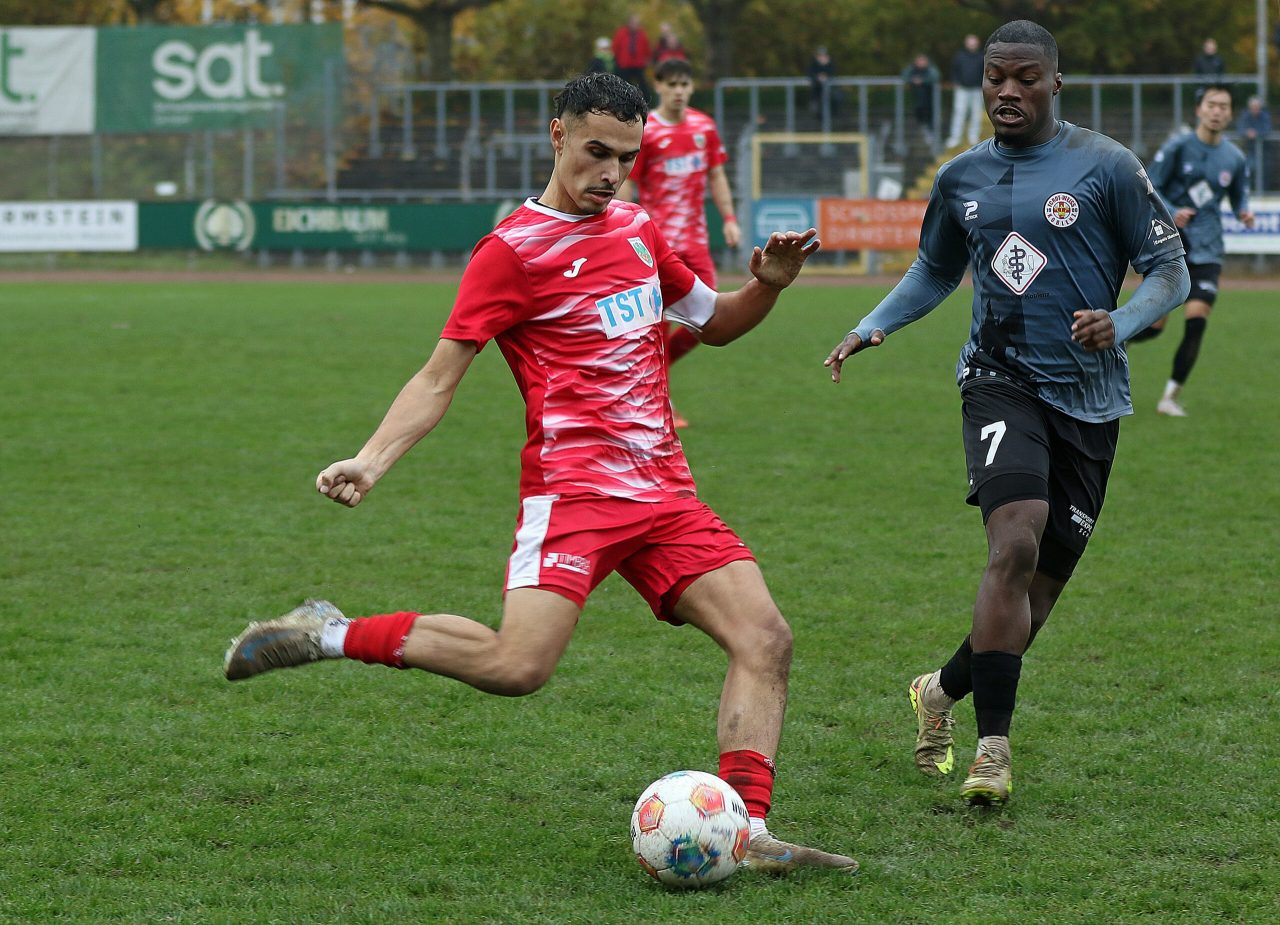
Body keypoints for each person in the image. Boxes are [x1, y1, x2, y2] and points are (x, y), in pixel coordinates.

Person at [224, 71, 856, 875]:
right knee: (516, 667)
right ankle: (328, 631)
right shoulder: (511, 252)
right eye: (596, 151)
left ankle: (747, 828)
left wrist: (765, 287)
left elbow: (716, 322)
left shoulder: (638, 229)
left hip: (665, 493)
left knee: (765, 637)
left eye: (625, 158)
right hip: (574, 495)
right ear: (557, 135)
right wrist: (371, 458)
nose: (610, 173)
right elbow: (438, 376)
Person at [824, 20, 1189, 806]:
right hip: (998, 379)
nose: (1008, 91)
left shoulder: (1107, 166)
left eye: (1025, 78)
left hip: (1089, 398)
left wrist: (1121, 321)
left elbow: (1169, 269)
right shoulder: (960, 177)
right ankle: (993, 750)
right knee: (1015, 535)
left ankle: (938, 691)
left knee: (1039, 595)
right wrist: (872, 324)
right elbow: (934, 268)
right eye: (996, 77)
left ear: (1056, 82)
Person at [619, 58, 742, 428]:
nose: (678, 91)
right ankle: (661, 405)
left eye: (684, 84)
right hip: (657, 245)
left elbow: (716, 176)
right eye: (671, 84)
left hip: (696, 242)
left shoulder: (704, 127)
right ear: (658, 86)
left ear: (692, 87)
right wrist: (619, 227)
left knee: (710, 318)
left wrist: (730, 219)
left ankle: (648, 371)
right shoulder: (647, 131)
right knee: (657, 325)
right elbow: (629, 183)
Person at [1127, 84, 1254, 417]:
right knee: (1154, 327)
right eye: (1212, 104)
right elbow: (1150, 185)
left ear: (1230, 113)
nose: (1217, 111)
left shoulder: (1234, 157)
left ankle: (1169, 398)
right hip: (1172, 245)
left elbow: (1239, 194)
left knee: (1197, 321)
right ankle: (1115, 340)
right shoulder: (1178, 147)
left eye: (1224, 106)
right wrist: (1172, 210)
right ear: (1199, 110)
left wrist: (1243, 211)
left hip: (1209, 249)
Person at [944, 34, 984, 148]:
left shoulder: (982, 56)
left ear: (977, 44)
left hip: (977, 89)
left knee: (976, 114)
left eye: (974, 43)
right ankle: (955, 137)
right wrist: (955, 82)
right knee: (959, 113)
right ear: (966, 44)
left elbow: (986, 71)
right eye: (970, 43)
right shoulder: (960, 56)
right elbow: (954, 70)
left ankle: (973, 137)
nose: (972, 45)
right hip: (962, 89)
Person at [901, 52, 940, 141]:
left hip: (930, 100)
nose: (921, 63)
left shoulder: (930, 69)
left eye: (923, 60)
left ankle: (930, 133)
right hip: (917, 100)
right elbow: (904, 76)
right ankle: (924, 129)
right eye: (919, 61)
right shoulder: (912, 69)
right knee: (919, 112)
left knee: (930, 115)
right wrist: (912, 80)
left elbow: (935, 76)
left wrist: (923, 81)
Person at [612, 14, 651, 97]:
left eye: (637, 23)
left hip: (638, 65)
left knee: (643, 86)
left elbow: (646, 48)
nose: (635, 25)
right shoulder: (621, 33)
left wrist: (646, 59)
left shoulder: (642, 34)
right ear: (629, 23)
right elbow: (615, 47)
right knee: (622, 86)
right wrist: (618, 60)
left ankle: (645, 101)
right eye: (633, 23)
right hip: (624, 64)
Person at [1236, 95, 1269, 190]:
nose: (1255, 109)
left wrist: (1256, 133)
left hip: (1264, 151)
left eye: (1257, 107)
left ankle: (1262, 191)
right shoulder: (1245, 116)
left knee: (1264, 172)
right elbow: (1240, 130)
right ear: (1249, 107)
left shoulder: (1264, 116)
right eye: (1253, 107)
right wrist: (1247, 132)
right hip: (1248, 150)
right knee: (1248, 169)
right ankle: (1247, 190)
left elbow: (1267, 130)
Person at [807, 46, 842, 126]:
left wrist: (825, 70)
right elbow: (810, 74)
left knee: (837, 98)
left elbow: (832, 73)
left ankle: (829, 123)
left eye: (824, 56)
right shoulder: (813, 65)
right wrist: (818, 77)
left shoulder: (830, 65)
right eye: (820, 56)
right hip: (817, 94)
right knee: (816, 109)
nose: (822, 58)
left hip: (829, 95)